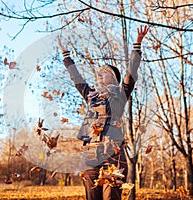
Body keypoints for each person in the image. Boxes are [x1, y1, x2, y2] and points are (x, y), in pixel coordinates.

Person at [58, 25, 149, 200]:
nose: (99, 75)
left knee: (111, 197)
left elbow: (131, 73)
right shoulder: (91, 95)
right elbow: (76, 78)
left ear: (114, 77)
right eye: (98, 73)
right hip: (90, 153)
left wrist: (137, 44)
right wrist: (66, 55)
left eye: (104, 73)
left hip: (112, 153)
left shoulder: (120, 94)